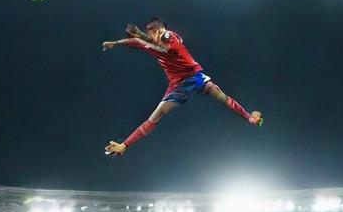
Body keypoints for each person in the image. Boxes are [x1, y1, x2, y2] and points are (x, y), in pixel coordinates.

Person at [102, 18, 262, 156]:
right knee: (156, 115)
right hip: (178, 85)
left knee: (219, 95)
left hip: (195, 76)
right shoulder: (150, 43)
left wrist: (141, 36)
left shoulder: (169, 36)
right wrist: (116, 43)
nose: (152, 36)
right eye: (149, 33)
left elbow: (164, 42)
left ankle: (250, 118)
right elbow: (139, 42)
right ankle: (124, 145)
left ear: (160, 30)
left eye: (153, 32)